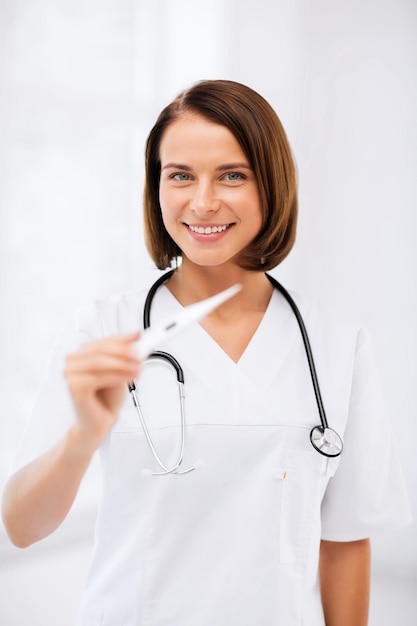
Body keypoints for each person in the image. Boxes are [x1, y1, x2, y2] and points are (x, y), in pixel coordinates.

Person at [2, 80, 411, 626]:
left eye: (233, 175)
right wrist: (81, 439)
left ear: (273, 183)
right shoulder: (105, 332)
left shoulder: (335, 344)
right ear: (157, 188)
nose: (203, 202)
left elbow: (343, 544)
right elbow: (22, 528)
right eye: (180, 176)